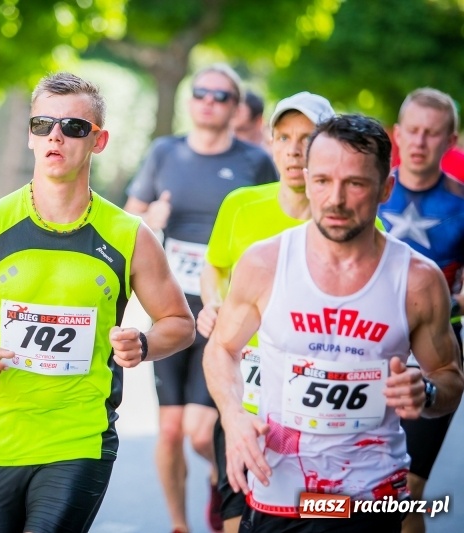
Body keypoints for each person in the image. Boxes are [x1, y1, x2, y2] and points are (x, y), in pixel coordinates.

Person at [0, 72, 196, 533]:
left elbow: (179, 322)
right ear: (30, 136)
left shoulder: (130, 236)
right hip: (1, 433)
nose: (55, 136)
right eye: (42, 125)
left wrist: (144, 344)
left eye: (72, 127)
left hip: (80, 435)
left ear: (99, 140)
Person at [204, 113, 464, 533]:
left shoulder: (418, 279)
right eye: (323, 181)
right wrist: (233, 418)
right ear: (306, 180)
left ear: (386, 189)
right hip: (280, 491)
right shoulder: (264, 263)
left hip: (371, 494)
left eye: (355, 184)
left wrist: (427, 392)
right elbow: (221, 348)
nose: (336, 199)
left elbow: (450, 379)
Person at [123, 63, 278, 533]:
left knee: (196, 432)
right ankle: (179, 525)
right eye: (201, 92)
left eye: (221, 96)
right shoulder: (164, 152)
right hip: (170, 311)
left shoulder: (254, 162)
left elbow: (276, 220)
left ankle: (224, 478)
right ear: (191, 101)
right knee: (170, 431)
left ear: (236, 109)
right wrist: (154, 213)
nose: (209, 101)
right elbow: (131, 216)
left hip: (224, 316)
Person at [197, 91, 335, 533]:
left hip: (317, 415)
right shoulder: (241, 204)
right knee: (240, 520)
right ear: (271, 143)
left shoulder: (355, 219)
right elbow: (213, 265)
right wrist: (212, 301)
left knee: (311, 520)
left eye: (307, 138)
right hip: (244, 396)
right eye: (283, 137)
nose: (294, 150)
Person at [377, 87, 464, 533]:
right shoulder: (366, 191)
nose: (419, 141)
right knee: (333, 493)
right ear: (396, 134)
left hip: (434, 350)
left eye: (432, 134)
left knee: (406, 490)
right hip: (361, 345)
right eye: (411, 130)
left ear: (451, 141)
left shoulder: (462, 204)